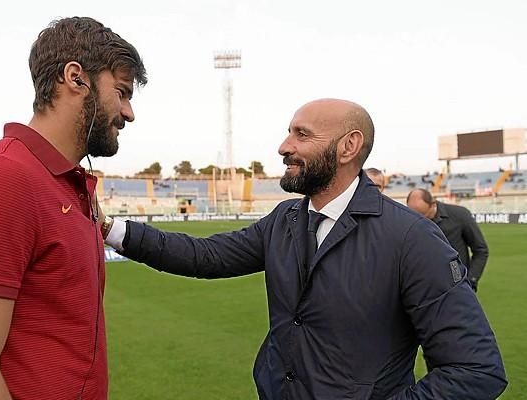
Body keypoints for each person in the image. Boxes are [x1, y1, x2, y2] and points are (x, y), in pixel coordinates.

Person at [101, 99, 506, 399]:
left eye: (302, 134)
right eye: (289, 132)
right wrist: (111, 229)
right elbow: (205, 256)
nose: (283, 146)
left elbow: (476, 369)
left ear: (348, 146)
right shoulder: (284, 220)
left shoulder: (411, 238)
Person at [0, 17, 146, 400]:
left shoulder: (68, 184)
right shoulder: (2, 179)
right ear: (76, 78)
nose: (129, 113)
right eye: (122, 92)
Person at [406, 188, 489, 292]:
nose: (417, 219)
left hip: (456, 287)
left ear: (433, 205)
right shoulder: (407, 221)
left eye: (423, 215)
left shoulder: (460, 215)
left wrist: (471, 280)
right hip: (423, 288)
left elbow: (481, 250)